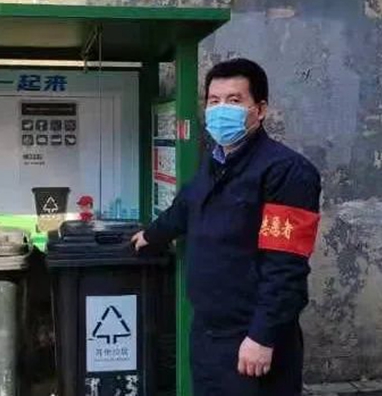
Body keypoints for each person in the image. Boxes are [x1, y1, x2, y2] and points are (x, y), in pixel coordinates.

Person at [131, 58, 321, 396]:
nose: (221, 110)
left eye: (234, 100)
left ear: (260, 109)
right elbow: (185, 207)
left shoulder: (287, 172)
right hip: (208, 336)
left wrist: (262, 336)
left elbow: (286, 266)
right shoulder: (216, 160)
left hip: (250, 340)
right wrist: (150, 236)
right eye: (214, 101)